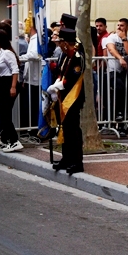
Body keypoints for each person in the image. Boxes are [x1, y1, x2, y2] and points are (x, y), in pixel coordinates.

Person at [49, 18, 85, 175]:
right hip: (63, 97)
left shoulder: (77, 55)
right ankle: (66, 158)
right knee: (64, 128)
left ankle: (76, 162)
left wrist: (60, 85)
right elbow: (61, 72)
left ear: (65, 42)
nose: (59, 45)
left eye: (61, 42)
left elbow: (73, 77)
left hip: (73, 97)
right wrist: (56, 85)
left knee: (73, 130)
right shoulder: (65, 54)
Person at [0, 29, 22, 153]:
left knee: (5, 114)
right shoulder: (1, 52)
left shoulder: (8, 53)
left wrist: (12, 87)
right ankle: (4, 138)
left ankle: (14, 140)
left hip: (8, 83)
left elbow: (15, 70)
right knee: (1, 112)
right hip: (2, 83)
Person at [104, 18, 128, 127]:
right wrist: (120, 58)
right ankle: (118, 114)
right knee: (119, 88)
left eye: (122, 25)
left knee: (127, 93)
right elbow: (111, 49)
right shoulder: (111, 37)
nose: (119, 27)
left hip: (127, 72)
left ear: (127, 27)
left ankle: (123, 120)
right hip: (113, 70)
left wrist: (124, 38)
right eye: (118, 25)